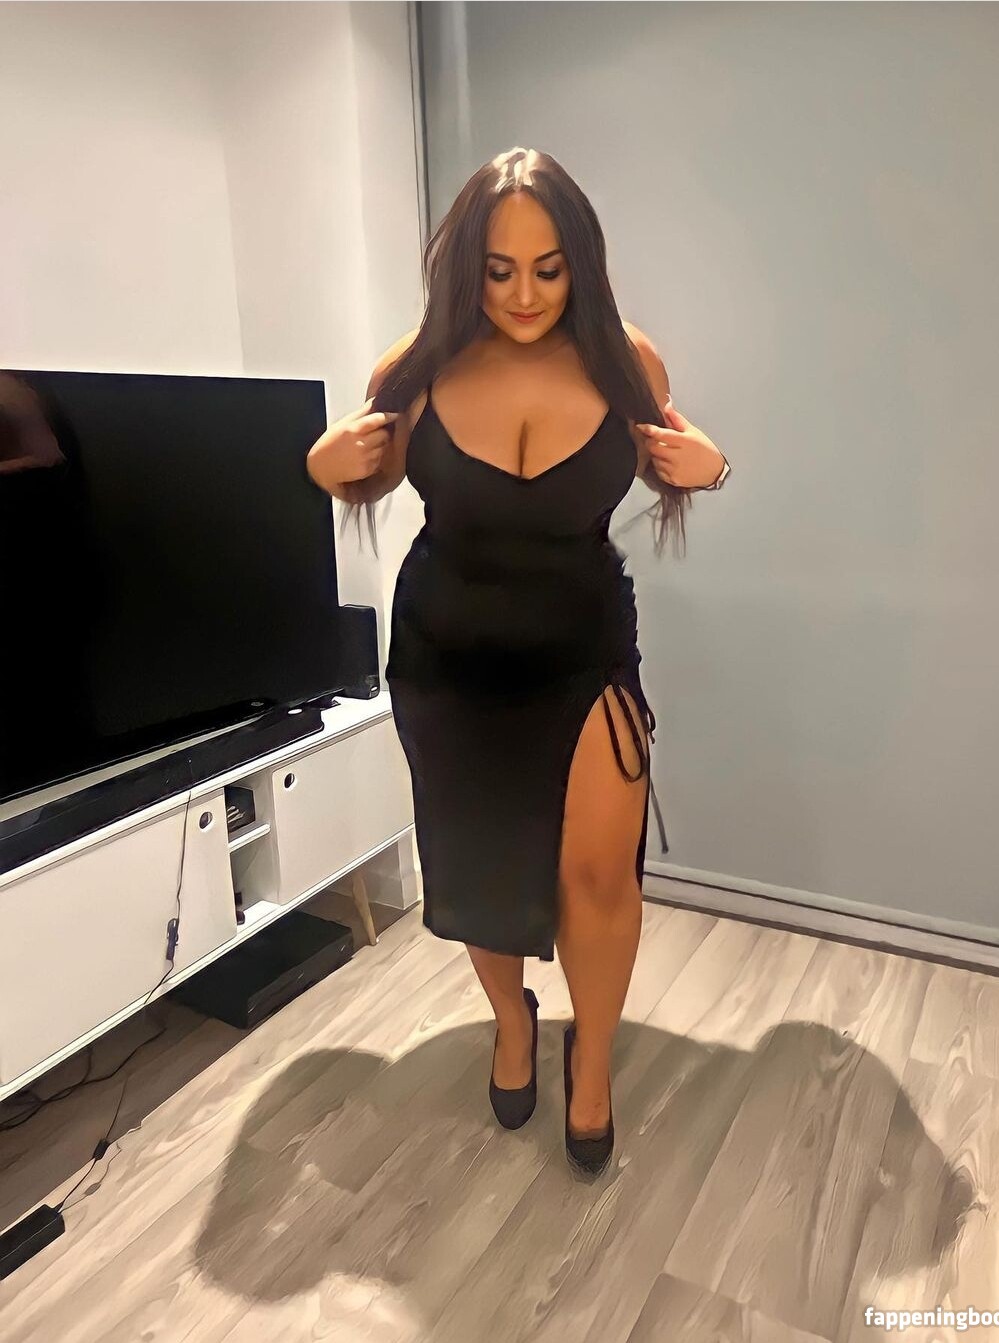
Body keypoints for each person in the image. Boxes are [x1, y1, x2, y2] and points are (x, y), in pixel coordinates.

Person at [307, 147, 730, 1177]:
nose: (525, 294)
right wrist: (324, 467)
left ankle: (592, 1067)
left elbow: (675, 459)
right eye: (499, 270)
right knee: (477, 866)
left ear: (580, 262)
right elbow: (367, 480)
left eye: (548, 268)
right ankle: (511, 1018)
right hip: (446, 658)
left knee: (599, 873)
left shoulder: (627, 362)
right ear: (468, 269)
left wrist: (713, 466)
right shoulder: (415, 368)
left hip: (584, 651)